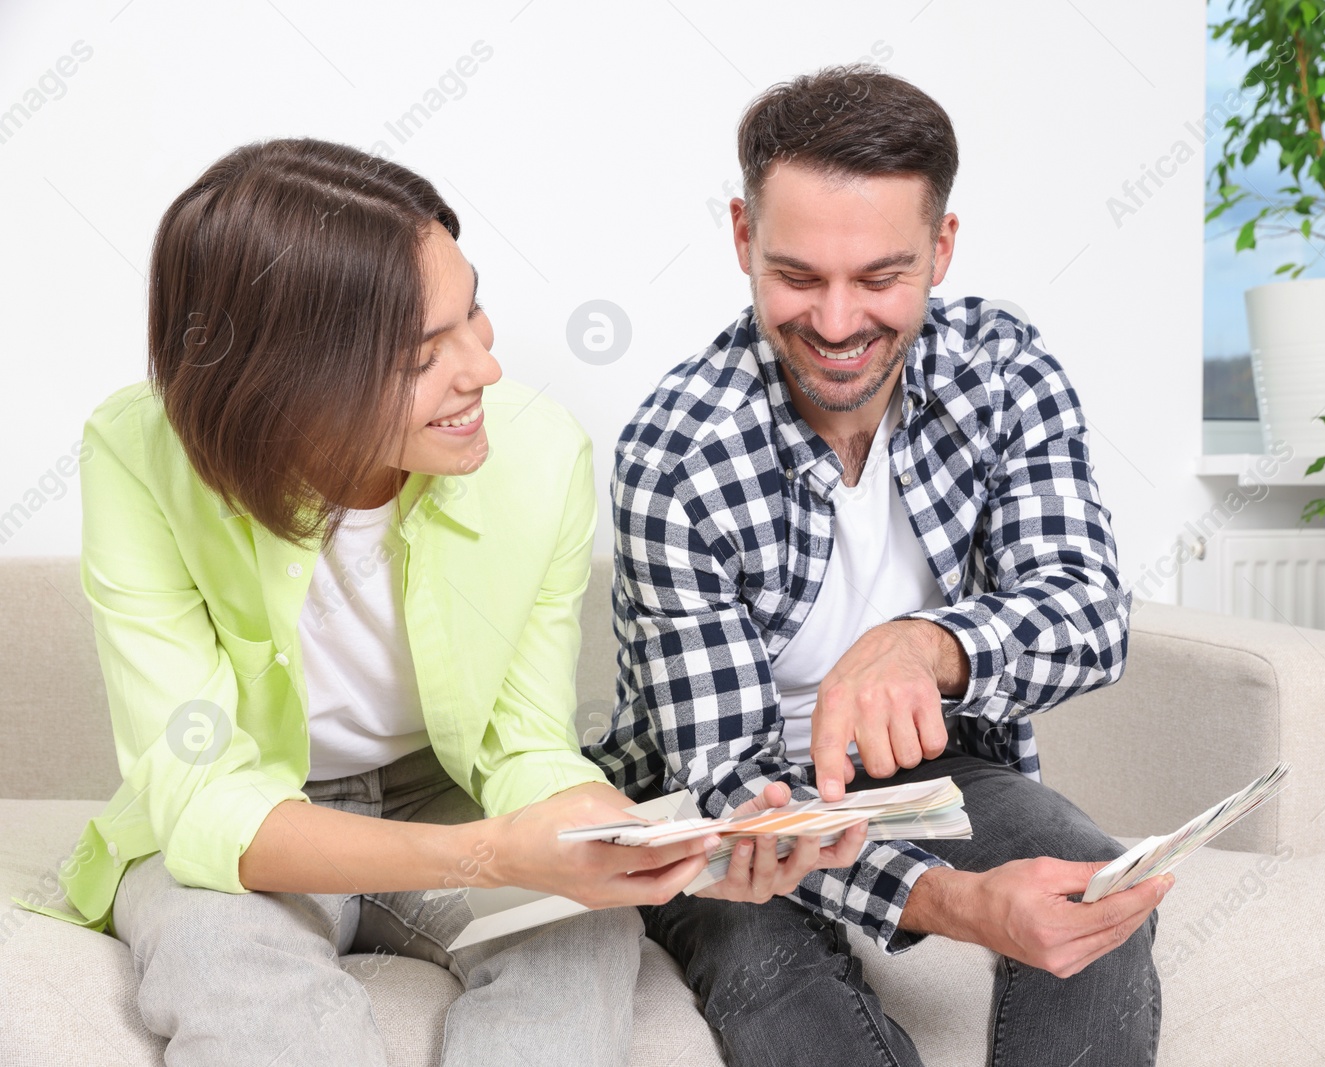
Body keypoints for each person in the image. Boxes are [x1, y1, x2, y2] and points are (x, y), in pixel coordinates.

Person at [21, 138, 738, 1067]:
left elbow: (524, 743)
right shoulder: (137, 454)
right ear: (291, 379)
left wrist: (600, 831)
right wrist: (497, 855)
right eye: (420, 354)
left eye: (472, 308)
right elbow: (201, 800)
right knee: (219, 956)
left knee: (585, 934)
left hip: (444, 793)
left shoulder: (541, 454)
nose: (482, 368)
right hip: (252, 807)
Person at [586, 67, 1167, 1066]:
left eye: (880, 277)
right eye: (799, 276)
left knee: (1093, 885)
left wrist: (927, 645)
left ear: (942, 248)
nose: (839, 321)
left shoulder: (1003, 371)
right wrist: (954, 901)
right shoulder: (678, 453)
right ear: (741, 237)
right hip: (730, 806)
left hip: (927, 770)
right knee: (773, 977)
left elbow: (1087, 613)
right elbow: (724, 785)